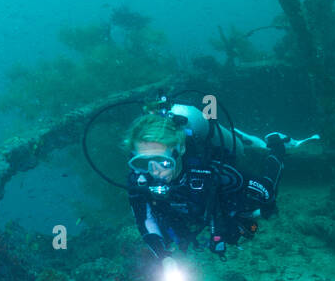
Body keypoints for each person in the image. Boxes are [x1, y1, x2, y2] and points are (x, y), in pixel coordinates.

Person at [126, 101, 316, 260]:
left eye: (163, 161)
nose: (154, 171)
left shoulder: (211, 172)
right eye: (143, 162)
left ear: (180, 149)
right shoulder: (139, 180)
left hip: (219, 181)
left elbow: (264, 192)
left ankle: (277, 146)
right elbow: (145, 220)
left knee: (266, 197)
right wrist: (164, 257)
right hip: (194, 208)